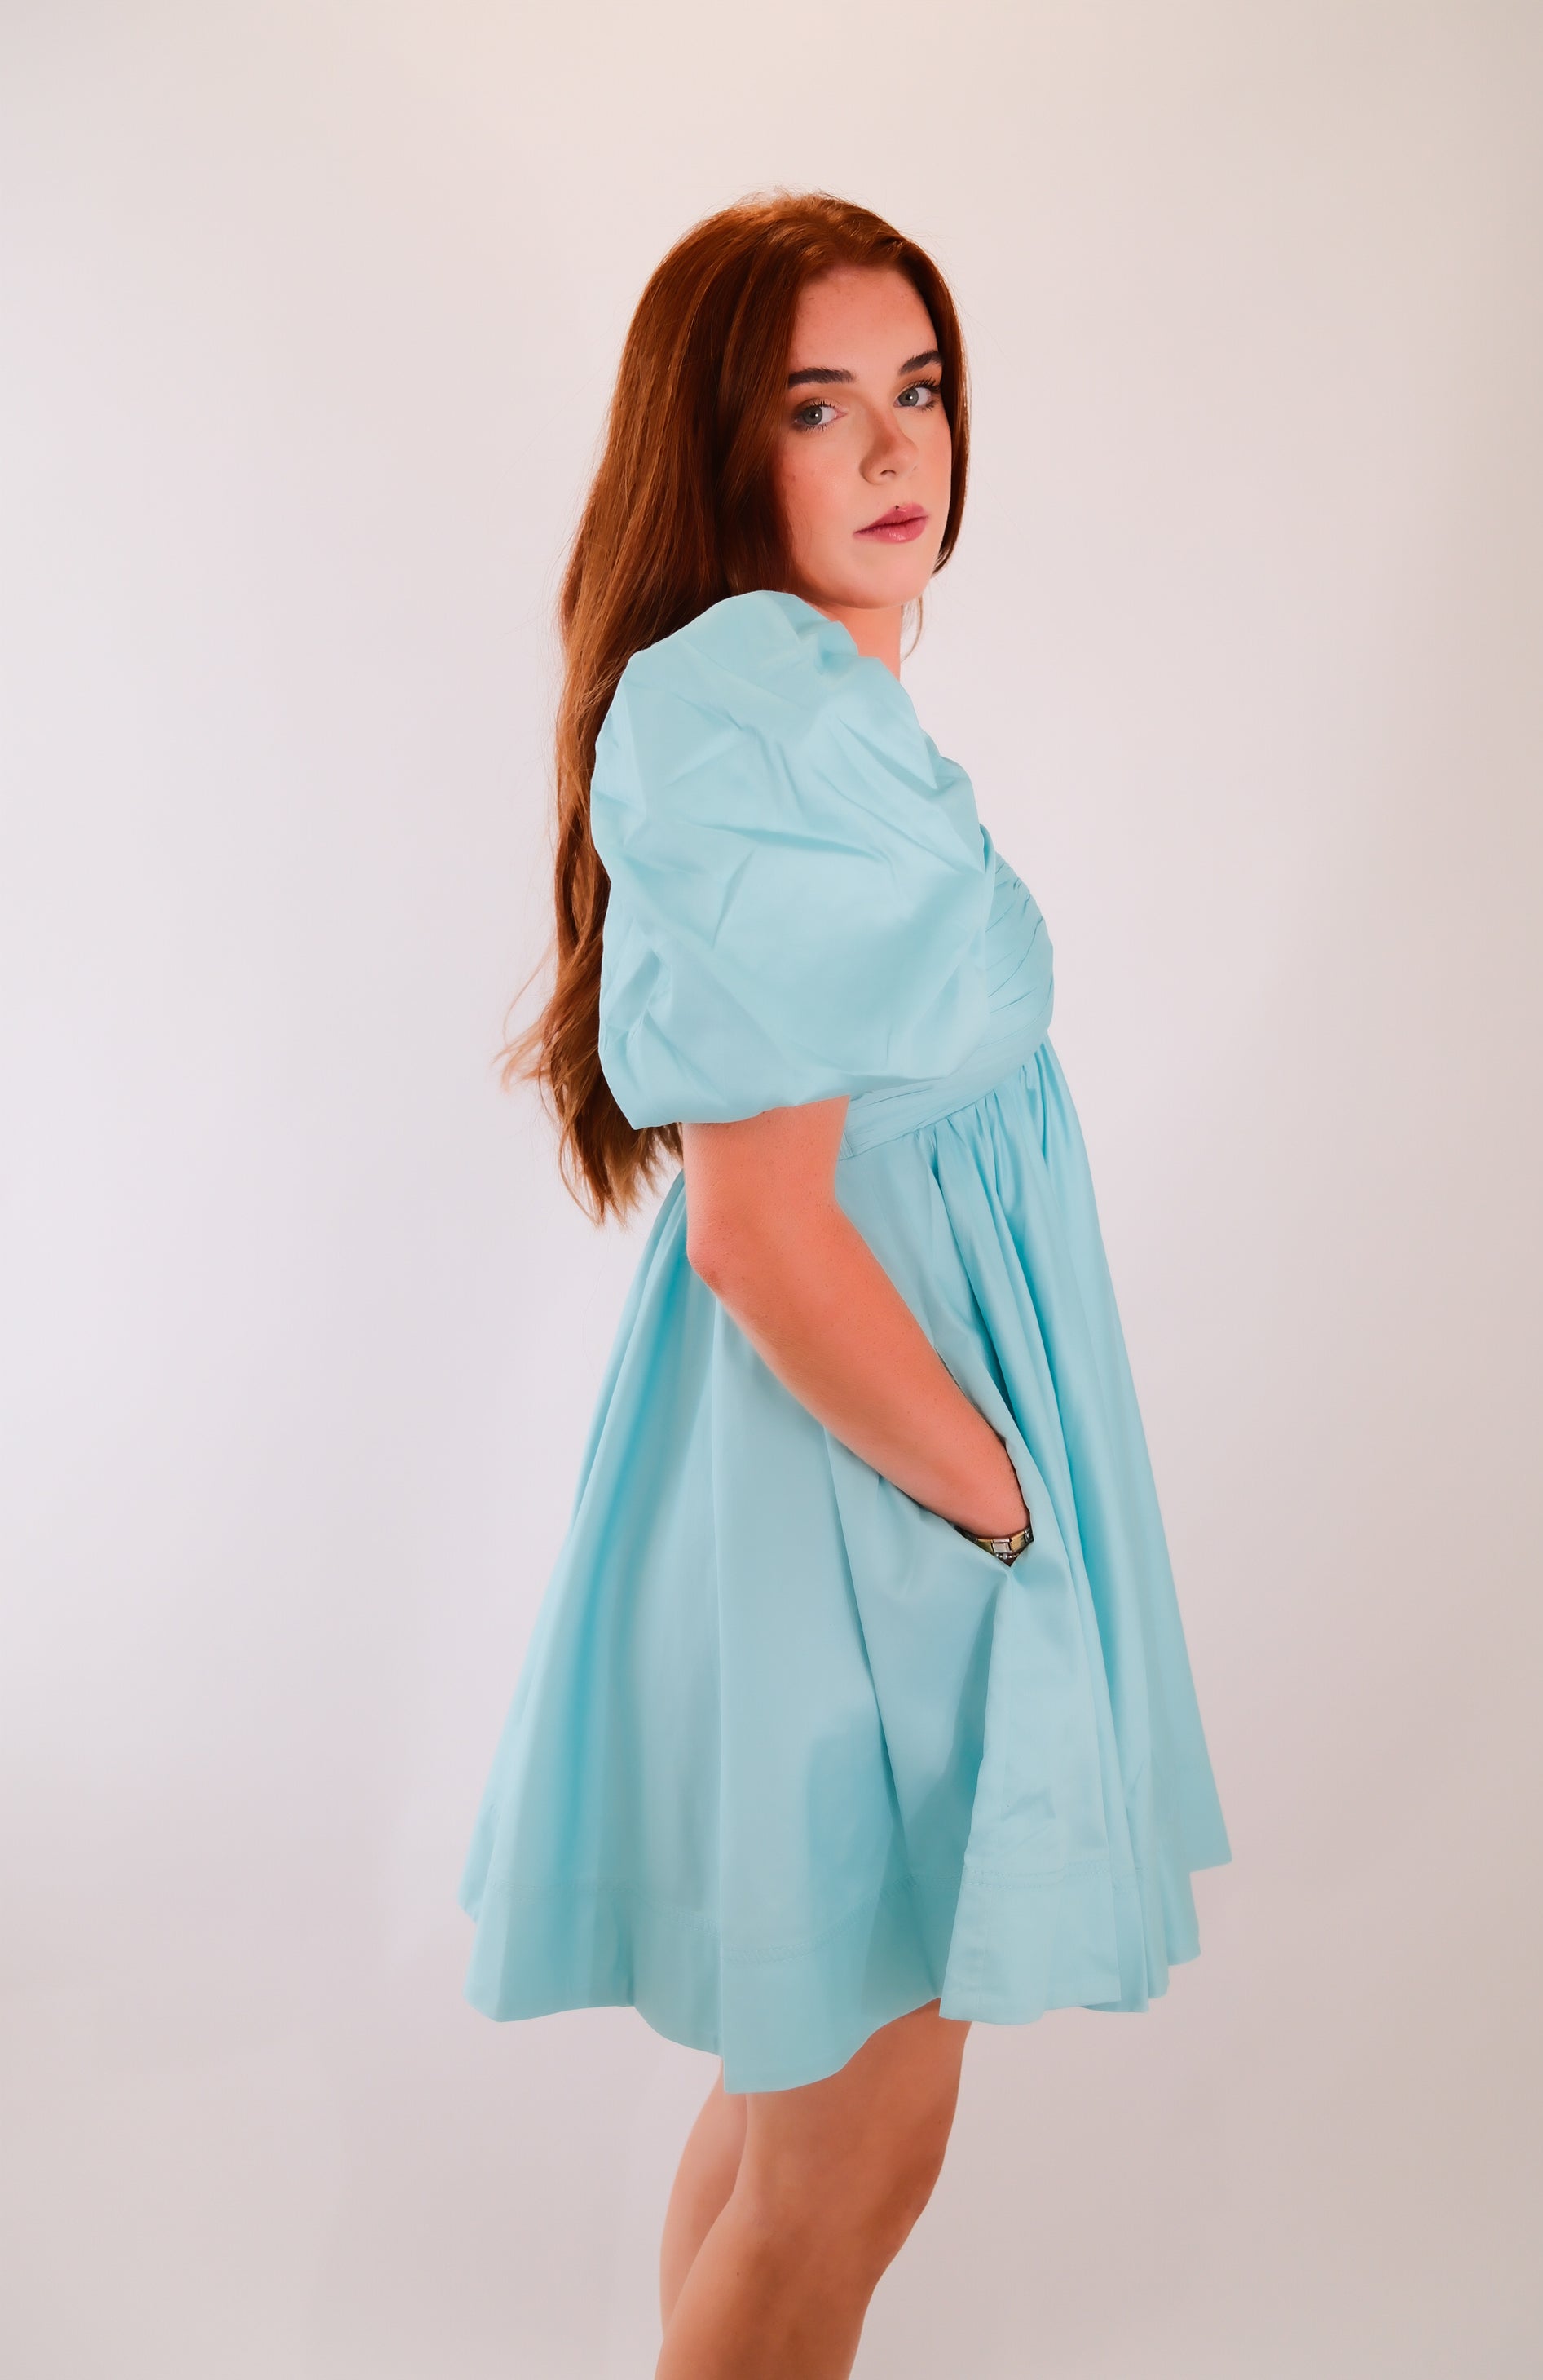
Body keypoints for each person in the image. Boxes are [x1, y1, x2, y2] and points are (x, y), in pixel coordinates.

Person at [459, 190, 1231, 2378]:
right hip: (870, 1493)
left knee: (796, 2118)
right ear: (721, 447)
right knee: (853, 2153)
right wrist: (998, 1503)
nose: (897, 448)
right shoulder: (756, 715)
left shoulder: (808, 695)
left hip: (865, 1477)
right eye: (819, 407)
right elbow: (761, 1229)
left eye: (920, 389)